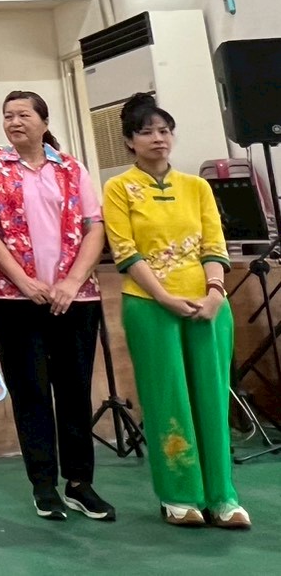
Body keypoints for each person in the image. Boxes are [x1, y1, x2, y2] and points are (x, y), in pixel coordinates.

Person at [102, 92, 247, 529]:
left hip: (209, 305)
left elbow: (214, 245)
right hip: (150, 306)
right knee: (168, 397)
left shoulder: (196, 187)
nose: (158, 138)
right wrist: (164, 297)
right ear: (129, 141)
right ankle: (179, 495)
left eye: (164, 131)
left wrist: (215, 293)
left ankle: (223, 496)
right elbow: (125, 251)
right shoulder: (118, 188)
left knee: (213, 398)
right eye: (147, 132)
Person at [0, 90, 114, 522]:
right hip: (15, 298)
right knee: (30, 391)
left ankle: (80, 483)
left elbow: (94, 227)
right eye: (8, 116)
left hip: (75, 298)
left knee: (74, 390)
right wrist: (23, 281)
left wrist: (71, 282)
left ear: (44, 121)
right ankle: (43, 485)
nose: (15, 122)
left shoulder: (71, 168)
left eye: (24, 115)